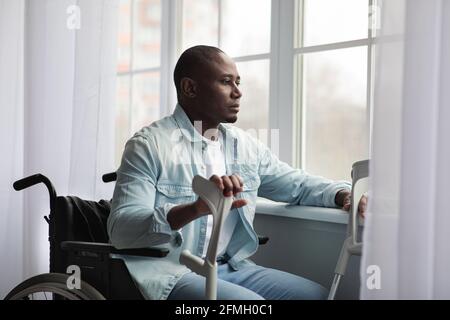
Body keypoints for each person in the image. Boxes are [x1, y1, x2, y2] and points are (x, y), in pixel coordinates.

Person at [107, 45, 367, 300]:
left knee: (316, 296)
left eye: (238, 82)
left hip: (227, 268)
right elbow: (122, 229)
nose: (238, 93)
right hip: (169, 272)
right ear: (190, 88)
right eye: (226, 82)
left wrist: (342, 194)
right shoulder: (148, 145)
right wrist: (196, 208)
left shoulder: (245, 146)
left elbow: (296, 184)